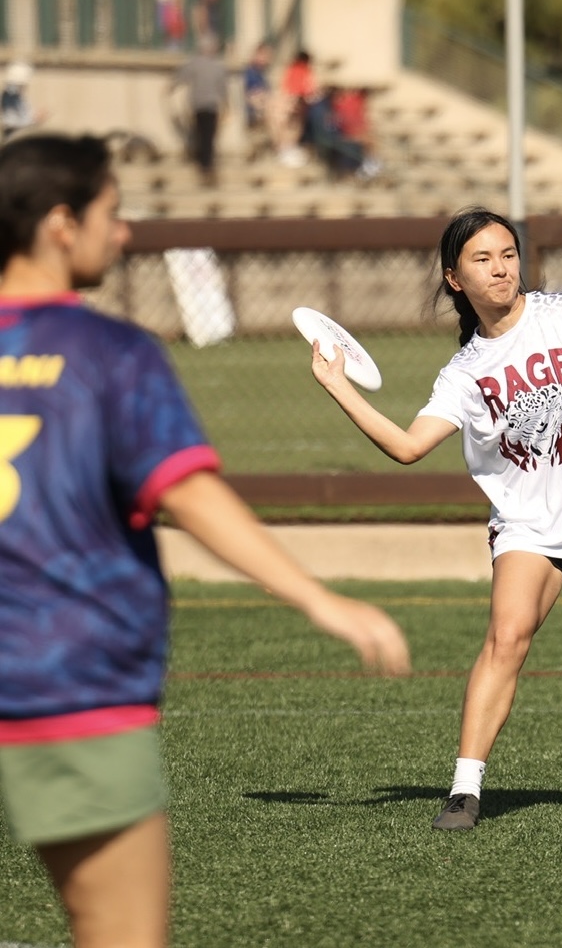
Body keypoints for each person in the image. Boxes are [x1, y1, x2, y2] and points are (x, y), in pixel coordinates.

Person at [0, 133, 411, 947]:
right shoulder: (110, 353)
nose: (123, 236)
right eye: (111, 215)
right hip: (68, 684)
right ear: (59, 224)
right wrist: (319, 599)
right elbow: (187, 492)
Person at [308, 205, 562, 831]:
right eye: (483, 259)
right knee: (506, 639)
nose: (501, 268)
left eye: (508, 254)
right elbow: (406, 447)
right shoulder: (464, 373)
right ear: (455, 278)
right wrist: (337, 384)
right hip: (527, 526)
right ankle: (465, 789)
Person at [168, 32, 228, 185]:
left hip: (197, 104)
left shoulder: (193, 63)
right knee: (208, 136)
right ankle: (207, 166)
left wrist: (171, 87)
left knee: (202, 135)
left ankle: (204, 165)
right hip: (210, 105)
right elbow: (223, 89)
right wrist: (226, 104)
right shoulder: (217, 66)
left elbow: (181, 77)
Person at [243, 40, 274, 161]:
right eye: (266, 55)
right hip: (253, 111)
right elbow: (249, 94)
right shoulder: (249, 72)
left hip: (263, 109)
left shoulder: (261, 74)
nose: (268, 59)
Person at [1, 61, 47, 142]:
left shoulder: (17, 95)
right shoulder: (11, 95)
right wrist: (35, 120)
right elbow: (11, 121)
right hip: (13, 138)